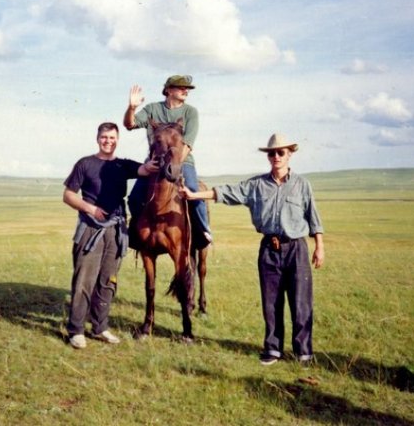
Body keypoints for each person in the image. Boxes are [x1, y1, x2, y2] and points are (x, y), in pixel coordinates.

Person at [180, 133, 324, 366]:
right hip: (269, 248)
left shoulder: (302, 185)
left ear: (290, 154)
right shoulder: (256, 185)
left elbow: (313, 217)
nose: (276, 156)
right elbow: (226, 192)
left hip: (296, 248)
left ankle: (303, 352)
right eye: (272, 153)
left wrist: (319, 246)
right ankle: (273, 349)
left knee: (301, 302)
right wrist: (195, 194)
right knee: (271, 301)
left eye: (280, 152)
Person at [63, 122, 158, 349]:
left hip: (116, 231)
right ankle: (76, 330)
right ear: (98, 139)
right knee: (84, 281)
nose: (108, 141)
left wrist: (159, 156)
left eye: (112, 137)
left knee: (108, 281)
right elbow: (68, 195)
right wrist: (90, 209)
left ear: (117, 140)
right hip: (91, 229)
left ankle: (100, 327)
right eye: (104, 137)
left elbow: (145, 170)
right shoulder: (85, 164)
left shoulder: (121, 165)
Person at [123, 75, 212, 248]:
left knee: (194, 191)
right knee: (134, 198)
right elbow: (129, 124)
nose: (185, 91)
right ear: (168, 90)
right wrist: (132, 108)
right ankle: (136, 233)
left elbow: (188, 144)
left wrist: (174, 166)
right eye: (180, 87)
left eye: (187, 89)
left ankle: (202, 230)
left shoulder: (190, 112)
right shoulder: (152, 109)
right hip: (154, 163)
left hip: (182, 162)